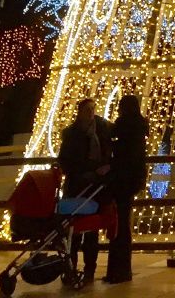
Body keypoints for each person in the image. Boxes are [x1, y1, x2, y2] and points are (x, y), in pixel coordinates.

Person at [58, 98, 112, 283]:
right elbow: (66, 161)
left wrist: (105, 167)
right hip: (77, 187)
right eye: (87, 109)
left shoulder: (102, 129)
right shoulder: (71, 134)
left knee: (92, 232)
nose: (91, 113)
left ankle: (89, 269)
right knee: (73, 231)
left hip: (95, 188)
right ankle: (70, 268)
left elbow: (109, 152)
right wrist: (87, 170)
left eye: (93, 109)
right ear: (79, 112)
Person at [103, 95, 149, 285]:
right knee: (123, 226)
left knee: (118, 226)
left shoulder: (123, 126)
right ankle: (122, 270)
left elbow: (121, 152)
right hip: (133, 181)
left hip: (121, 181)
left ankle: (117, 271)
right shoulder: (140, 127)